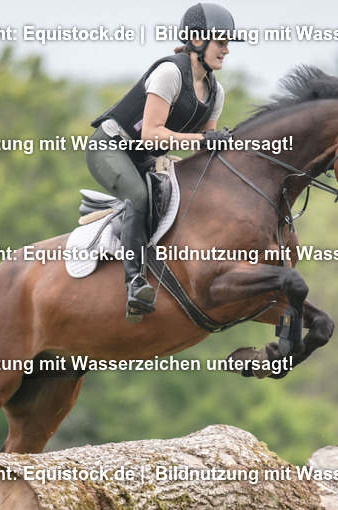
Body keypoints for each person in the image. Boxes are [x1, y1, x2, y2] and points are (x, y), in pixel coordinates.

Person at [87, 3, 238, 322]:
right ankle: (134, 284)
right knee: (139, 196)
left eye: (228, 43)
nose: (226, 49)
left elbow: (203, 151)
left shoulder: (215, 92)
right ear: (197, 40)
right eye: (221, 42)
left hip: (144, 159)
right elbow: (152, 135)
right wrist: (204, 141)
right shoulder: (170, 73)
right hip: (111, 148)